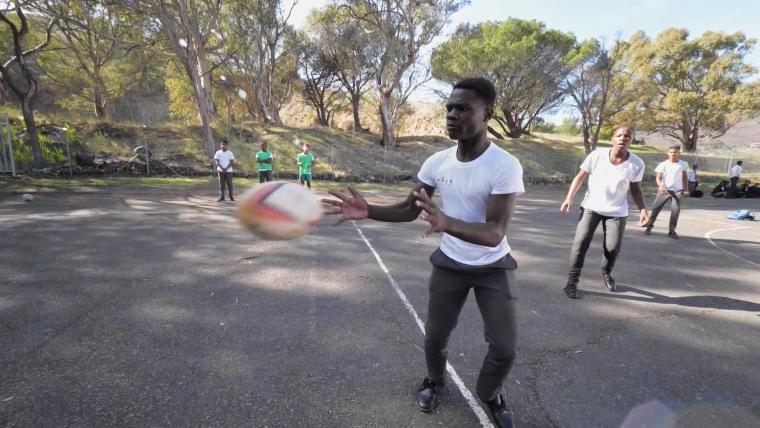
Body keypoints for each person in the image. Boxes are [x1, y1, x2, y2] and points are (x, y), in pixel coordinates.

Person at [323, 78, 523, 428]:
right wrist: (368, 209)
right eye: (449, 108)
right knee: (435, 337)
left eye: (463, 108)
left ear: (487, 113)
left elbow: (494, 234)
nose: (452, 114)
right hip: (450, 263)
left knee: (504, 348)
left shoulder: (504, 165)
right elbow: (408, 209)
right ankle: (434, 380)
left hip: (492, 266)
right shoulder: (437, 163)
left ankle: (490, 394)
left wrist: (447, 221)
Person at [560, 125, 649, 299]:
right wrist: (569, 198)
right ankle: (571, 282)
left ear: (631, 140)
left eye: (627, 136)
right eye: (619, 135)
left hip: (617, 211)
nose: (623, 138)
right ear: (612, 139)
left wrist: (643, 209)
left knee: (613, 248)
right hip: (591, 206)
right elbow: (579, 177)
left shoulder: (637, 163)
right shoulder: (597, 155)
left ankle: (606, 272)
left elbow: (635, 188)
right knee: (580, 244)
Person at [643, 145, 690, 239]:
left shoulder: (683, 164)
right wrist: (661, 186)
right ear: (668, 153)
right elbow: (658, 177)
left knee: (675, 211)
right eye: (671, 152)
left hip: (677, 191)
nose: (673, 154)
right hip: (665, 190)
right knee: (656, 209)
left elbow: (685, 177)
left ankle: (672, 231)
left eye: (676, 152)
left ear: (679, 153)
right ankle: (649, 227)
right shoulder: (663, 164)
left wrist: (685, 189)